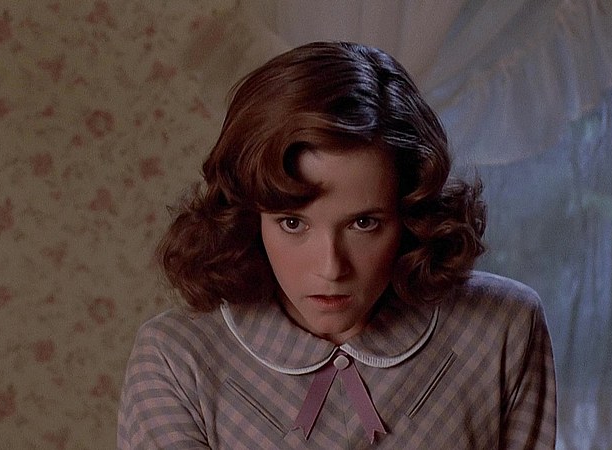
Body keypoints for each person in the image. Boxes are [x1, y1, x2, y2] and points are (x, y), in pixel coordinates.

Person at [118, 41, 556, 449]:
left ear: (411, 214)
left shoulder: (503, 326)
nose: (331, 268)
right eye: (293, 223)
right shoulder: (176, 358)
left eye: (364, 223)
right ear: (249, 217)